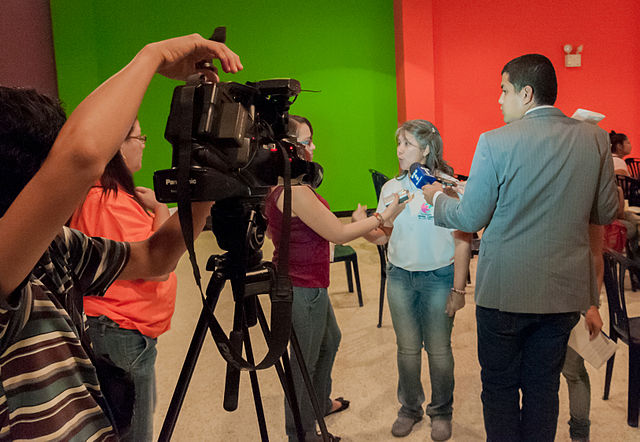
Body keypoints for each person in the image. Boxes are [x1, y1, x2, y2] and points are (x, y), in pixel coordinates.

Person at [0, 34, 242, 440]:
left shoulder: (55, 245)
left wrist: (208, 178)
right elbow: (80, 155)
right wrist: (153, 55)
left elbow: (154, 257)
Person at [422, 53, 618, 441]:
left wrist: (436, 199)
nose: (499, 99)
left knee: (499, 389)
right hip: (563, 295)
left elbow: (470, 218)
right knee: (544, 389)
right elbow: (606, 211)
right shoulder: (594, 137)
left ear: (526, 94)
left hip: (504, 295)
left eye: (503, 89)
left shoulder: (494, 141)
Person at [265, 115, 408, 442]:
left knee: (330, 342)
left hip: (310, 284)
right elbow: (339, 233)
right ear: (289, 147)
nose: (313, 147)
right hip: (301, 289)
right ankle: (302, 433)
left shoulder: (282, 185)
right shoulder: (296, 192)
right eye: (306, 141)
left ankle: (318, 404)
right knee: (303, 364)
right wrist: (379, 217)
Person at [354, 119, 471, 441]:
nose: (399, 149)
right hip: (400, 278)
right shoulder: (392, 188)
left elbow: (463, 239)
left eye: (406, 143)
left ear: (427, 148)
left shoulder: (449, 187)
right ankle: (409, 408)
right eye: (398, 143)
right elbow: (384, 236)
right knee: (406, 350)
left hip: (439, 279)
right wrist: (363, 227)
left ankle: (441, 411)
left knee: (439, 350)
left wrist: (459, 289)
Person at [68, 119, 174, 441]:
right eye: (138, 137)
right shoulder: (108, 203)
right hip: (121, 333)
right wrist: (162, 209)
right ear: (117, 147)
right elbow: (159, 266)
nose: (143, 142)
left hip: (124, 332)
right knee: (134, 435)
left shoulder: (105, 196)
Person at [561, 225, 604, 442]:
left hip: (576, 297)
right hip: (540, 295)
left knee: (573, 371)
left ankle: (580, 433)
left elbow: (596, 254)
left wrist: (592, 305)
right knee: (540, 377)